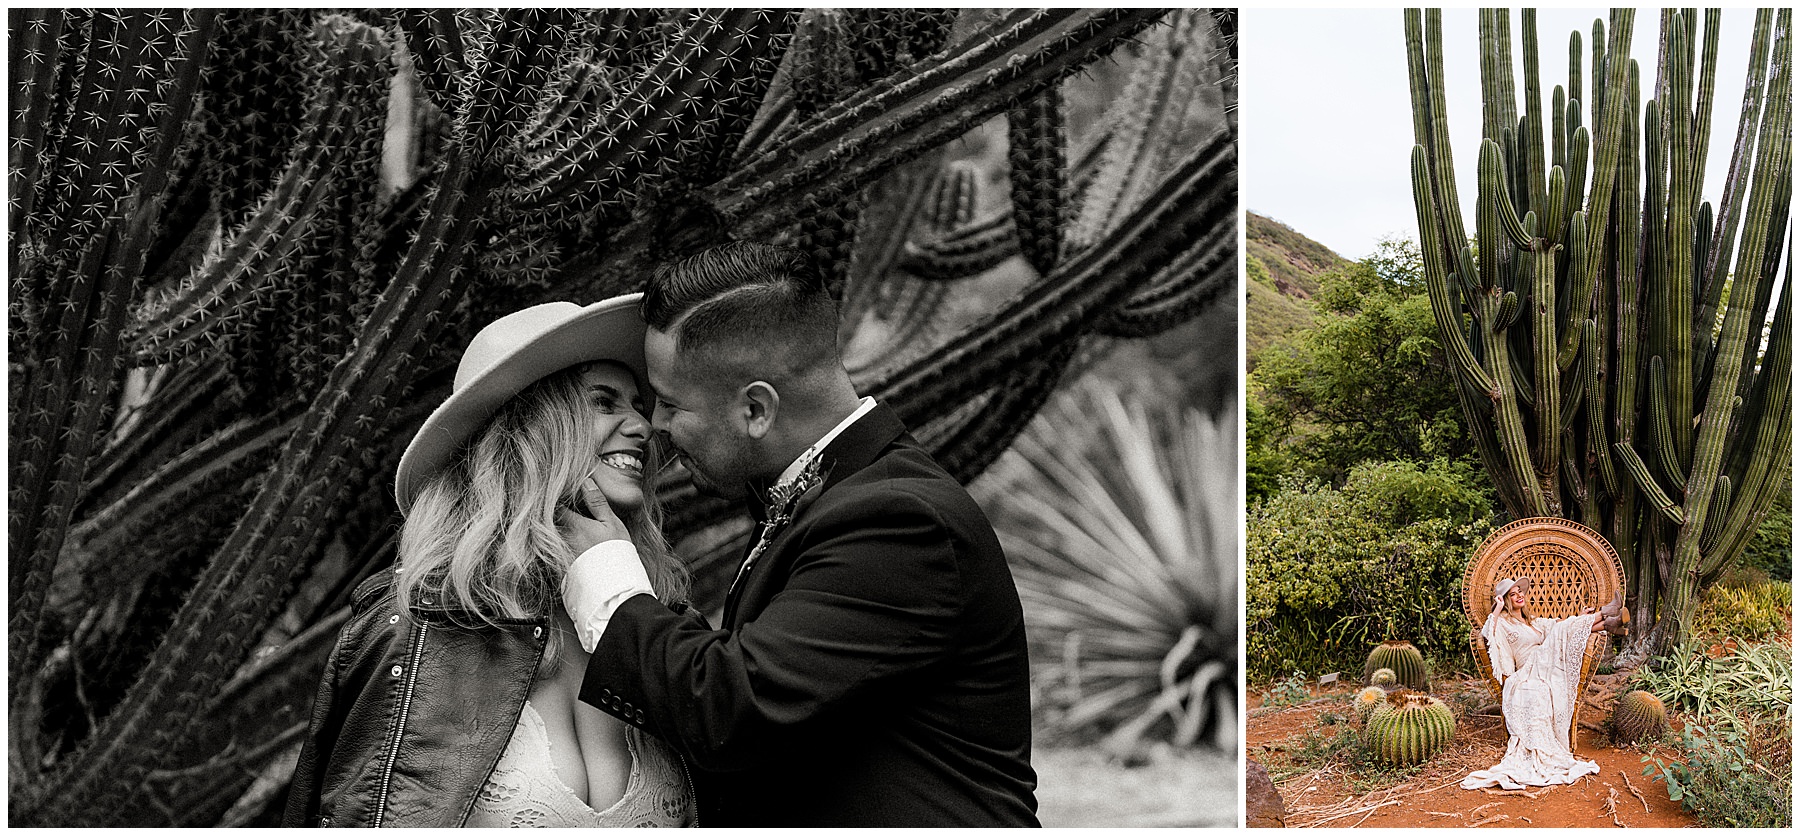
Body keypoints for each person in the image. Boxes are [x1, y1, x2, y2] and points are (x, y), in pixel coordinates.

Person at [555, 241, 1041, 826]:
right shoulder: (835, 494)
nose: (653, 426)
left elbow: (732, 711)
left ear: (756, 410)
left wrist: (607, 573)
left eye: (672, 404)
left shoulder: (901, 522)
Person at [283, 296, 696, 827]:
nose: (642, 424)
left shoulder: (666, 627)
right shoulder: (413, 632)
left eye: (638, 403)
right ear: (531, 430)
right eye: (604, 402)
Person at [1460, 576, 1622, 791]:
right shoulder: (1503, 623)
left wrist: (1579, 618)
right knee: (1560, 631)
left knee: (1561, 629)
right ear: (1505, 600)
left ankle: (1607, 621)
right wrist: (1497, 608)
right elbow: (1487, 633)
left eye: (1520, 592)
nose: (1519, 596)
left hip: (1546, 666)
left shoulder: (1533, 622)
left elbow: (1558, 627)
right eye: (1513, 594)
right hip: (1527, 670)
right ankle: (1606, 617)